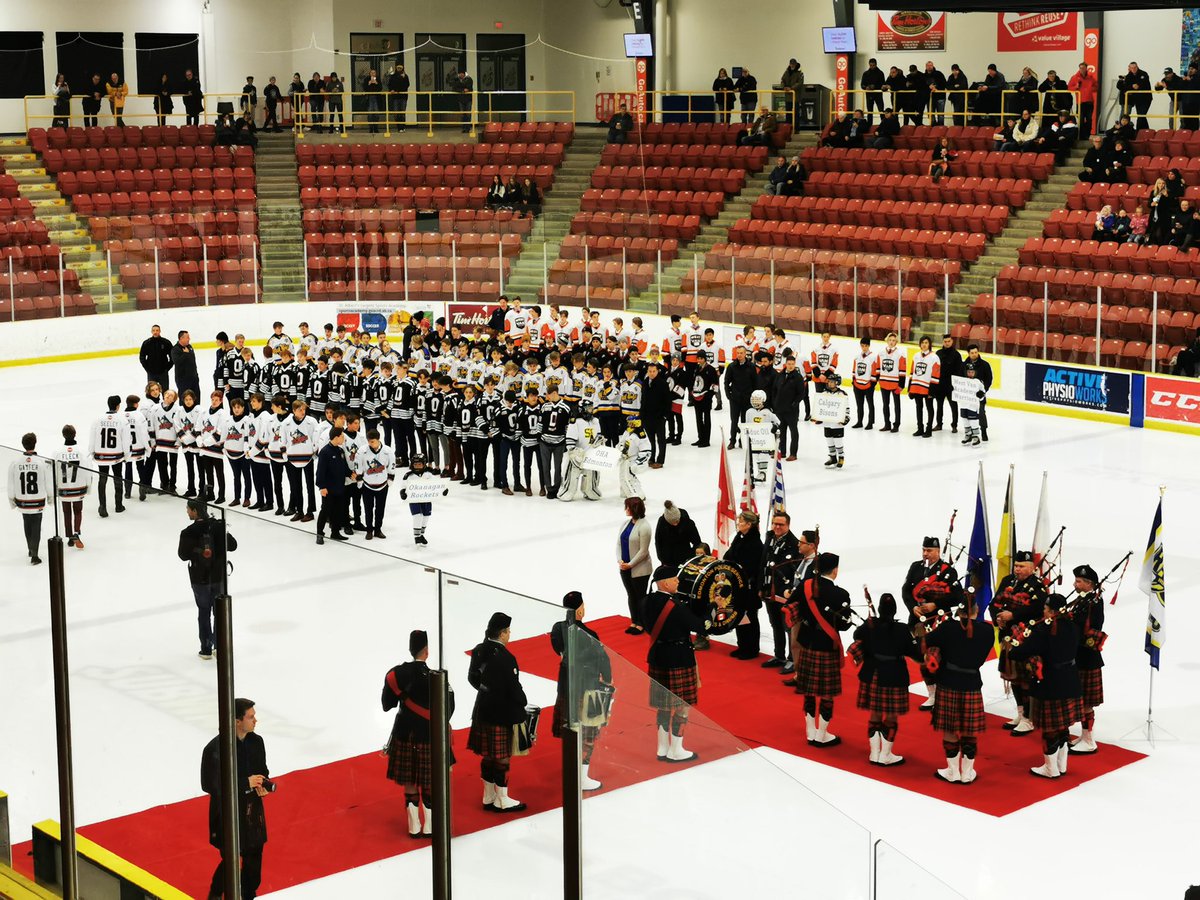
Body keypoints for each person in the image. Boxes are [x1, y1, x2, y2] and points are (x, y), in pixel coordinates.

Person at [383, 629, 453, 837]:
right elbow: (448, 710)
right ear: (427, 651)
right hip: (428, 736)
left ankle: (414, 827)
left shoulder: (395, 674)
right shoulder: (435, 678)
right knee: (430, 783)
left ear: (410, 649)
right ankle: (431, 825)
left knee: (410, 782)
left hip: (404, 733)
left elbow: (387, 704)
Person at [201, 698, 272, 899]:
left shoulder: (257, 742)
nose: (255, 720)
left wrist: (263, 784)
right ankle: (216, 893)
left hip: (252, 811)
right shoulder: (215, 749)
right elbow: (210, 785)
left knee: (254, 857)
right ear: (237, 721)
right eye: (251, 717)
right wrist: (244, 783)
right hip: (228, 811)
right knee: (231, 858)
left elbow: (263, 770)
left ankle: (248, 894)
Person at [1009, 594, 1083, 779]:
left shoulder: (1044, 630)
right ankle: (1061, 765)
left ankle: (1050, 769)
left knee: (1050, 729)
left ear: (1050, 611)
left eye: (1045, 608)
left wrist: (1013, 647)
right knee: (1063, 726)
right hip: (1071, 679)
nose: (1043, 611)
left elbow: (1021, 652)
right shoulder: (1073, 626)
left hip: (1050, 682)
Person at [643, 564, 711, 762]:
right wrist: (711, 609)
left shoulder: (646, 601)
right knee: (682, 706)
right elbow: (700, 626)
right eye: (675, 579)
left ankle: (662, 748)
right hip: (679, 658)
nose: (678, 582)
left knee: (663, 706)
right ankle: (677, 749)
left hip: (657, 656)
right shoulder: (676, 606)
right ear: (664, 583)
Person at [924, 599, 993, 784]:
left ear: (958, 611)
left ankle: (952, 771)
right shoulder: (987, 631)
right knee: (970, 730)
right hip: (971, 683)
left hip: (948, 681)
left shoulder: (947, 628)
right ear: (977, 610)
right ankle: (968, 773)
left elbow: (926, 641)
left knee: (949, 728)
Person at [467, 612, 531, 812]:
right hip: (501, 713)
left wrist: (488, 691)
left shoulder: (478, 650)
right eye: (508, 631)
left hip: (482, 708)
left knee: (488, 754)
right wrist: (523, 701)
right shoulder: (506, 657)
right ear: (502, 633)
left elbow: (472, 678)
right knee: (502, 756)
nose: (509, 634)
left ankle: (488, 795)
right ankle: (502, 799)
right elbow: (514, 688)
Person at [550, 592, 612, 791]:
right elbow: (603, 660)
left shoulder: (557, 629)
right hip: (587, 688)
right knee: (588, 735)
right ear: (579, 609)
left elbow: (559, 649)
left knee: (571, 731)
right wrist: (608, 679)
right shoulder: (589, 634)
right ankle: (582, 778)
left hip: (566, 687)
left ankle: (572, 770)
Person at [794, 552, 852, 748]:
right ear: (835, 570)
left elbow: (793, 605)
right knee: (827, 693)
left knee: (808, 691)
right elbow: (844, 626)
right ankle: (822, 733)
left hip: (807, 641)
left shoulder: (806, 585)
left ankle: (810, 729)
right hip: (826, 644)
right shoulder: (841, 594)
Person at [853, 593, 918, 766]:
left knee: (875, 713)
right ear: (895, 611)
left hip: (872, 672)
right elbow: (917, 654)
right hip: (894, 675)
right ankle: (885, 755)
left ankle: (874, 753)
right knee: (891, 717)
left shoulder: (869, 626)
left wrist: (871, 626)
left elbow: (856, 635)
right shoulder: (903, 630)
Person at [902, 536, 963, 711]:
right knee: (922, 657)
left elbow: (957, 597)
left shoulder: (948, 571)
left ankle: (944, 692)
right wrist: (913, 607)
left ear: (938, 551)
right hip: (918, 620)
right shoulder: (915, 567)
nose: (926, 554)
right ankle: (932, 694)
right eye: (924, 550)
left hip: (939, 621)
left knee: (940, 657)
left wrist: (936, 605)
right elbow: (906, 590)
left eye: (929, 550)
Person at [991, 549, 1047, 734]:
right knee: (1013, 677)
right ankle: (1021, 713)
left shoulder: (1037, 585)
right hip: (1007, 635)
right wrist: (997, 618)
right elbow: (994, 603)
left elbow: (1038, 609)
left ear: (1032, 567)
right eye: (1016, 565)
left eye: (1022, 566)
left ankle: (1030, 718)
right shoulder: (1008, 581)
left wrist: (1013, 615)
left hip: (1025, 637)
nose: (1017, 569)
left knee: (1025, 678)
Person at [177, 498, 237, 659]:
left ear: (195, 511)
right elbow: (232, 545)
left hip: (200, 579)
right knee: (219, 611)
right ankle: (220, 646)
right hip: (218, 577)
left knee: (204, 612)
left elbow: (182, 555)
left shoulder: (188, 532)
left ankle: (206, 648)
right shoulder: (217, 526)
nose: (187, 511)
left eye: (188, 509)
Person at [1066, 564, 1105, 756]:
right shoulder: (1082, 601)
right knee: (1081, 700)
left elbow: (1092, 627)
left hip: (1087, 657)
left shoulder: (1094, 602)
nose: (1075, 584)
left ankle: (1089, 740)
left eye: (1079, 581)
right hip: (1078, 656)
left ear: (1090, 584)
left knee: (1086, 701)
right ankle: (1083, 735)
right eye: (1076, 580)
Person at [8, 433, 50, 565]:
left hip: (23, 501)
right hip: (37, 500)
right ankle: (35, 555)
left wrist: (12, 500)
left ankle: (31, 549)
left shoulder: (15, 462)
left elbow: (11, 484)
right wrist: (50, 498)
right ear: (35, 443)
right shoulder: (42, 462)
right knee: (36, 526)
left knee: (26, 523)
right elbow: (48, 482)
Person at [89, 395, 130, 517]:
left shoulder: (97, 419)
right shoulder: (122, 420)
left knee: (102, 480)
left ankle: (102, 506)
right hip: (116, 455)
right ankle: (118, 505)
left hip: (102, 455)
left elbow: (92, 438)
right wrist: (126, 456)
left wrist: (92, 452)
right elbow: (126, 441)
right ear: (118, 406)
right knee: (118, 478)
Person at [617, 496, 653, 634]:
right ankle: (634, 621)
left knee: (640, 596)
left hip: (640, 569)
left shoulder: (644, 527)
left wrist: (630, 564)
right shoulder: (626, 524)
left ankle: (642, 623)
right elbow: (618, 543)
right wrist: (619, 559)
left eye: (628, 507)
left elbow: (643, 551)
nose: (626, 509)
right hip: (625, 567)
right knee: (631, 595)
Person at [54, 425, 92, 549]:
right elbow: (88, 470)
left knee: (66, 512)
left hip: (64, 489)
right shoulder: (81, 451)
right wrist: (88, 486)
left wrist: (55, 488)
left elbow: (54, 471)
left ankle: (70, 537)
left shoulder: (57, 452)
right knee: (77, 511)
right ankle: (76, 532)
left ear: (63, 435)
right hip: (78, 487)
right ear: (75, 434)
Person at [813, 372, 850, 468]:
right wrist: (816, 416)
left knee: (838, 441)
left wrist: (846, 418)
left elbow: (846, 408)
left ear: (837, 383)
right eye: (829, 382)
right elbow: (820, 406)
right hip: (827, 422)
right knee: (829, 440)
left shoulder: (842, 394)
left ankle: (841, 457)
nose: (829, 383)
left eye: (832, 382)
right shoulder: (824, 393)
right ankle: (833, 457)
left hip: (837, 423)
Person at [742, 389, 779, 484]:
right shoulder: (749, 412)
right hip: (754, 439)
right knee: (755, 456)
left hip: (765, 440)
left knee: (763, 455)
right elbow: (747, 424)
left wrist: (774, 427)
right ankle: (753, 473)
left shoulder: (768, 412)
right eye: (754, 399)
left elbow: (777, 422)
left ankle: (762, 473)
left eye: (757, 399)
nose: (755, 402)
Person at [908, 336, 939, 438]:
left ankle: (928, 429)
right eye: (922, 342)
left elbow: (935, 375)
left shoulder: (934, 357)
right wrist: (910, 388)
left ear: (929, 344)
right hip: (917, 387)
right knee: (919, 407)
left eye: (926, 342)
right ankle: (920, 428)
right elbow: (912, 372)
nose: (924, 344)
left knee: (929, 408)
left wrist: (932, 391)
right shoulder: (916, 356)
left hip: (928, 388)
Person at [960, 343, 992, 443]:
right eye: (972, 353)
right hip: (967, 397)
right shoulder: (964, 365)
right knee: (966, 415)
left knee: (981, 413)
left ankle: (983, 431)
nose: (974, 354)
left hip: (979, 396)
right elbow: (960, 379)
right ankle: (969, 434)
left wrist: (983, 391)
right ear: (968, 353)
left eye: (976, 352)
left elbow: (989, 379)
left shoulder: (985, 365)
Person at [934, 334, 962, 433]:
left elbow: (959, 371)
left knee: (954, 406)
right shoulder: (938, 353)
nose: (947, 343)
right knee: (939, 405)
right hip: (940, 385)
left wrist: (956, 385)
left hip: (951, 386)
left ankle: (954, 425)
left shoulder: (957, 355)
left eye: (949, 341)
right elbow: (935, 369)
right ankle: (939, 424)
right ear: (943, 342)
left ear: (952, 341)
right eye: (945, 341)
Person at [616, 417, 650, 500]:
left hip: (633, 459)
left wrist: (638, 462)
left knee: (630, 478)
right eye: (629, 422)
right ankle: (625, 492)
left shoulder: (640, 434)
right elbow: (621, 443)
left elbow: (646, 450)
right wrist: (621, 450)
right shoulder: (627, 431)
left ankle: (638, 495)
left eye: (632, 423)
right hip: (624, 458)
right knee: (622, 477)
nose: (629, 424)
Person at [851, 337, 878, 429]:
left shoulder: (873, 357)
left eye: (866, 346)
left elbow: (875, 371)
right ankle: (859, 421)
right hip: (857, 384)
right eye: (862, 346)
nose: (864, 347)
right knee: (859, 404)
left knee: (870, 404)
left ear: (869, 346)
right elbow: (854, 370)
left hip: (868, 385)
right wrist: (853, 381)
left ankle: (870, 422)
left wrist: (872, 384)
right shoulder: (856, 357)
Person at [1116, 61, 1152, 130]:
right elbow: (1121, 86)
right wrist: (1123, 81)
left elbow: (1140, 85)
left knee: (1141, 115)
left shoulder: (1143, 74)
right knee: (1140, 116)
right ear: (1129, 68)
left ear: (1137, 67)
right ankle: (1145, 131)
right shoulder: (1128, 76)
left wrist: (1133, 86)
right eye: (1131, 68)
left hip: (1145, 98)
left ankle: (1139, 131)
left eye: (1135, 67)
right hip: (1134, 99)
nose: (1133, 69)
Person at [138, 324, 174, 390]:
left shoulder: (166, 342)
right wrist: (147, 368)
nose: (155, 332)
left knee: (165, 391)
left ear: (160, 331)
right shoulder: (147, 343)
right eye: (153, 330)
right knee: (151, 392)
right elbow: (142, 356)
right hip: (151, 373)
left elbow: (172, 356)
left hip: (163, 373)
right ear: (151, 332)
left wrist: (167, 368)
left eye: (157, 330)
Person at [1069, 62, 1098, 138]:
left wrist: (1091, 89)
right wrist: (1076, 87)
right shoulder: (1075, 77)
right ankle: (1081, 136)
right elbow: (1069, 88)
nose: (1082, 69)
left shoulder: (1091, 77)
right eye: (1081, 68)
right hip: (1080, 102)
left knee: (1089, 120)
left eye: (1083, 68)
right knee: (1081, 120)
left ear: (1086, 68)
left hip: (1089, 101)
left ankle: (1087, 135)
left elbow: (1096, 87)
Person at [861, 58, 885, 125]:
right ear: (869, 65)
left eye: (873, 65)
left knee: (881, 110)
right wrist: (866, 87)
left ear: (876, 64)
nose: (872, 67)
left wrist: (875, 86)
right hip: (869, 95)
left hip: (878, 94)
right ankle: (869, 125)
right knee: (869, 111)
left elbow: (883, 84)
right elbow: (862, 85)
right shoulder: (865, 74)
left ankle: (883, 124)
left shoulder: (880, 73)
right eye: (871, 65)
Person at [388, 63, 410, 132]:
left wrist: (404, 78)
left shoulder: (405, 76)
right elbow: (390, 85)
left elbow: (407, 85)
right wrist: (391, 90)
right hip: (395, 97)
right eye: (398, 68)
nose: (399, 69)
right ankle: (399, 127)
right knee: (396, 113)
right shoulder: (393, 76)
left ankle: (403, 127)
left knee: (402, 113)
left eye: (400, 68)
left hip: (403, 97)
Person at [925, 60, 947, 125]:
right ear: (926, 67)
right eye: (928, 66)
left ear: (933, 66)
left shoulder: (939, 74)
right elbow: (922, 86)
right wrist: (929, 87)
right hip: (930, 98)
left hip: (940, 97)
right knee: (931, 115)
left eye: (930, 65)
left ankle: (940, 128)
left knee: (940, 115)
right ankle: (932, 128)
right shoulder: (924, 76)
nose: (929, 67)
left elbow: (944, 84)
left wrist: (936, 88)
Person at [362, 69, 382, 133]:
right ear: (369, 73)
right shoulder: (366, 79)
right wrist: (369, 83)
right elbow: (364, 88)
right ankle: (371, 128)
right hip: (369, 97)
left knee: (376, 113)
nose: (373, 74)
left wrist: (376, 83)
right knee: (370, 114)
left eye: (374, 73)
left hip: (376, 98)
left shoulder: (378, 79)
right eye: (371, 73)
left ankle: (376, 127)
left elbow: (380, 88)